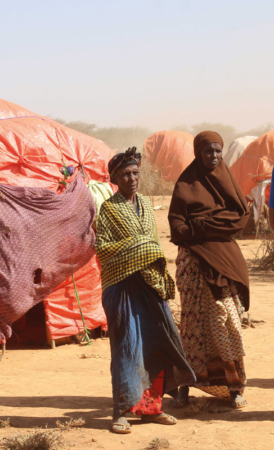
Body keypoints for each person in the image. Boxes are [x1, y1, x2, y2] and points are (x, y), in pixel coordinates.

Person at [95, 147, 195, 434]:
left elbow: (154, 246)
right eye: (125, 174)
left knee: (157, 346)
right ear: (115, 178)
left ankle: (151, 410)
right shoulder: (109, 209)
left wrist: (151, 256)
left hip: (150, 287)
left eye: (135, 172)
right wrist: (143, 249)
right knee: (127, 350)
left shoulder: (147, 207)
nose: (132, 178)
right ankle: (122, 410)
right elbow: (102, 250)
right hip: (123, 289)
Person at [168, 131, 250, 409]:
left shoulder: (228, 182)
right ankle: (185, 385)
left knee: (227, 322)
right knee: (192, 327)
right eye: (207, 151)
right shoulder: (185, 184)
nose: (213, 156)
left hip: (224, 264)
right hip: (192, 265)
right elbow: (177, 230)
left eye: (217, 151)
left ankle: (234, 386)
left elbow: (239, 221)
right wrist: (213, 224)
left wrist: (200, 225)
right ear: (197, 153)